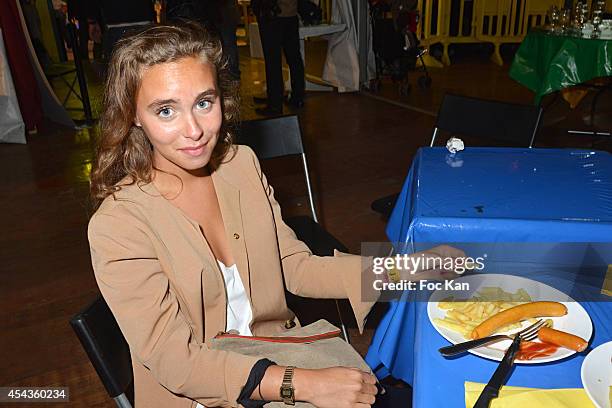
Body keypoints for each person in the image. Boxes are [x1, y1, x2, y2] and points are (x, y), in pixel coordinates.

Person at [88, 22, 460, 407]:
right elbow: (176, 362)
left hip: (276, 351)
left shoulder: (239, 166)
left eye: (204, 102)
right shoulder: (118, 225)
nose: (194, 130)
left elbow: (295, 267)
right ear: (133, 115)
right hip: (202, 393)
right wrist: (301, 385)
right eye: (166, 110)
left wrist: (403, 270)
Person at [252, 0, 304, 116]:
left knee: (273, 62)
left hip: (272, 15)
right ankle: (297, 97)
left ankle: (275, 104)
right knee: (294, 59)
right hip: (291, 14)